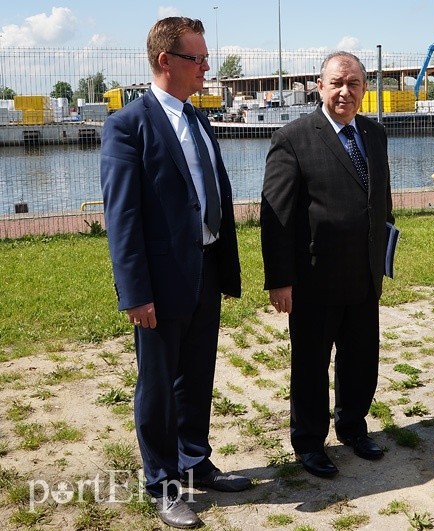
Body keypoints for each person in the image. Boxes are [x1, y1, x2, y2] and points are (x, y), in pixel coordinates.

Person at [100, 16, 250, 529]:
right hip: (159, 285)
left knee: (197, 375)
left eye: (206, 57)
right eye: (198, 58)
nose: (207, 66)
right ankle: (163, 482)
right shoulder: (129, 124)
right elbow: (122, 217)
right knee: (158, 384)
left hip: (204, 270)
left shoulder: (199, 119)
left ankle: (194, 460)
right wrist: (135, 292)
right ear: (166, 61)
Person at [260, 51, 393, 478]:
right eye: (336, 82)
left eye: (353, 84)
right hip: (314, 279)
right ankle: (309, 442)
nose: (345, 91)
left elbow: (380, 201)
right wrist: (280, 280)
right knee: (311, 366)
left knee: (360, 360)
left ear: (364, 89)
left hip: (362, 275)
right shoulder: (294, 137)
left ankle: (353, 426)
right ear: (320, 86)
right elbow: (276, 216)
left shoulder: (375, 134)